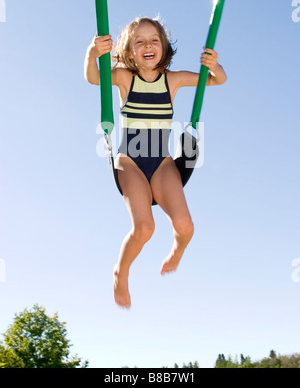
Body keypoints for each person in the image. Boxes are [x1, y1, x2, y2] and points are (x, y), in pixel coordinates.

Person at [84, 17, 227, 308]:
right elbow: (94, 78)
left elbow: (217, 80)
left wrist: (214, 64)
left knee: (186, 226)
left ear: (163, 46)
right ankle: (120, 271)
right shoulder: (125, 77)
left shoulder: (173, 80)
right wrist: (92, 53)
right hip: (131, 163)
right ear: (128, 50)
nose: (147, 45)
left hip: (161, 163)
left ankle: (177, 250)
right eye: (139, 41)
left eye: (154, 40)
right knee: (144, 229)